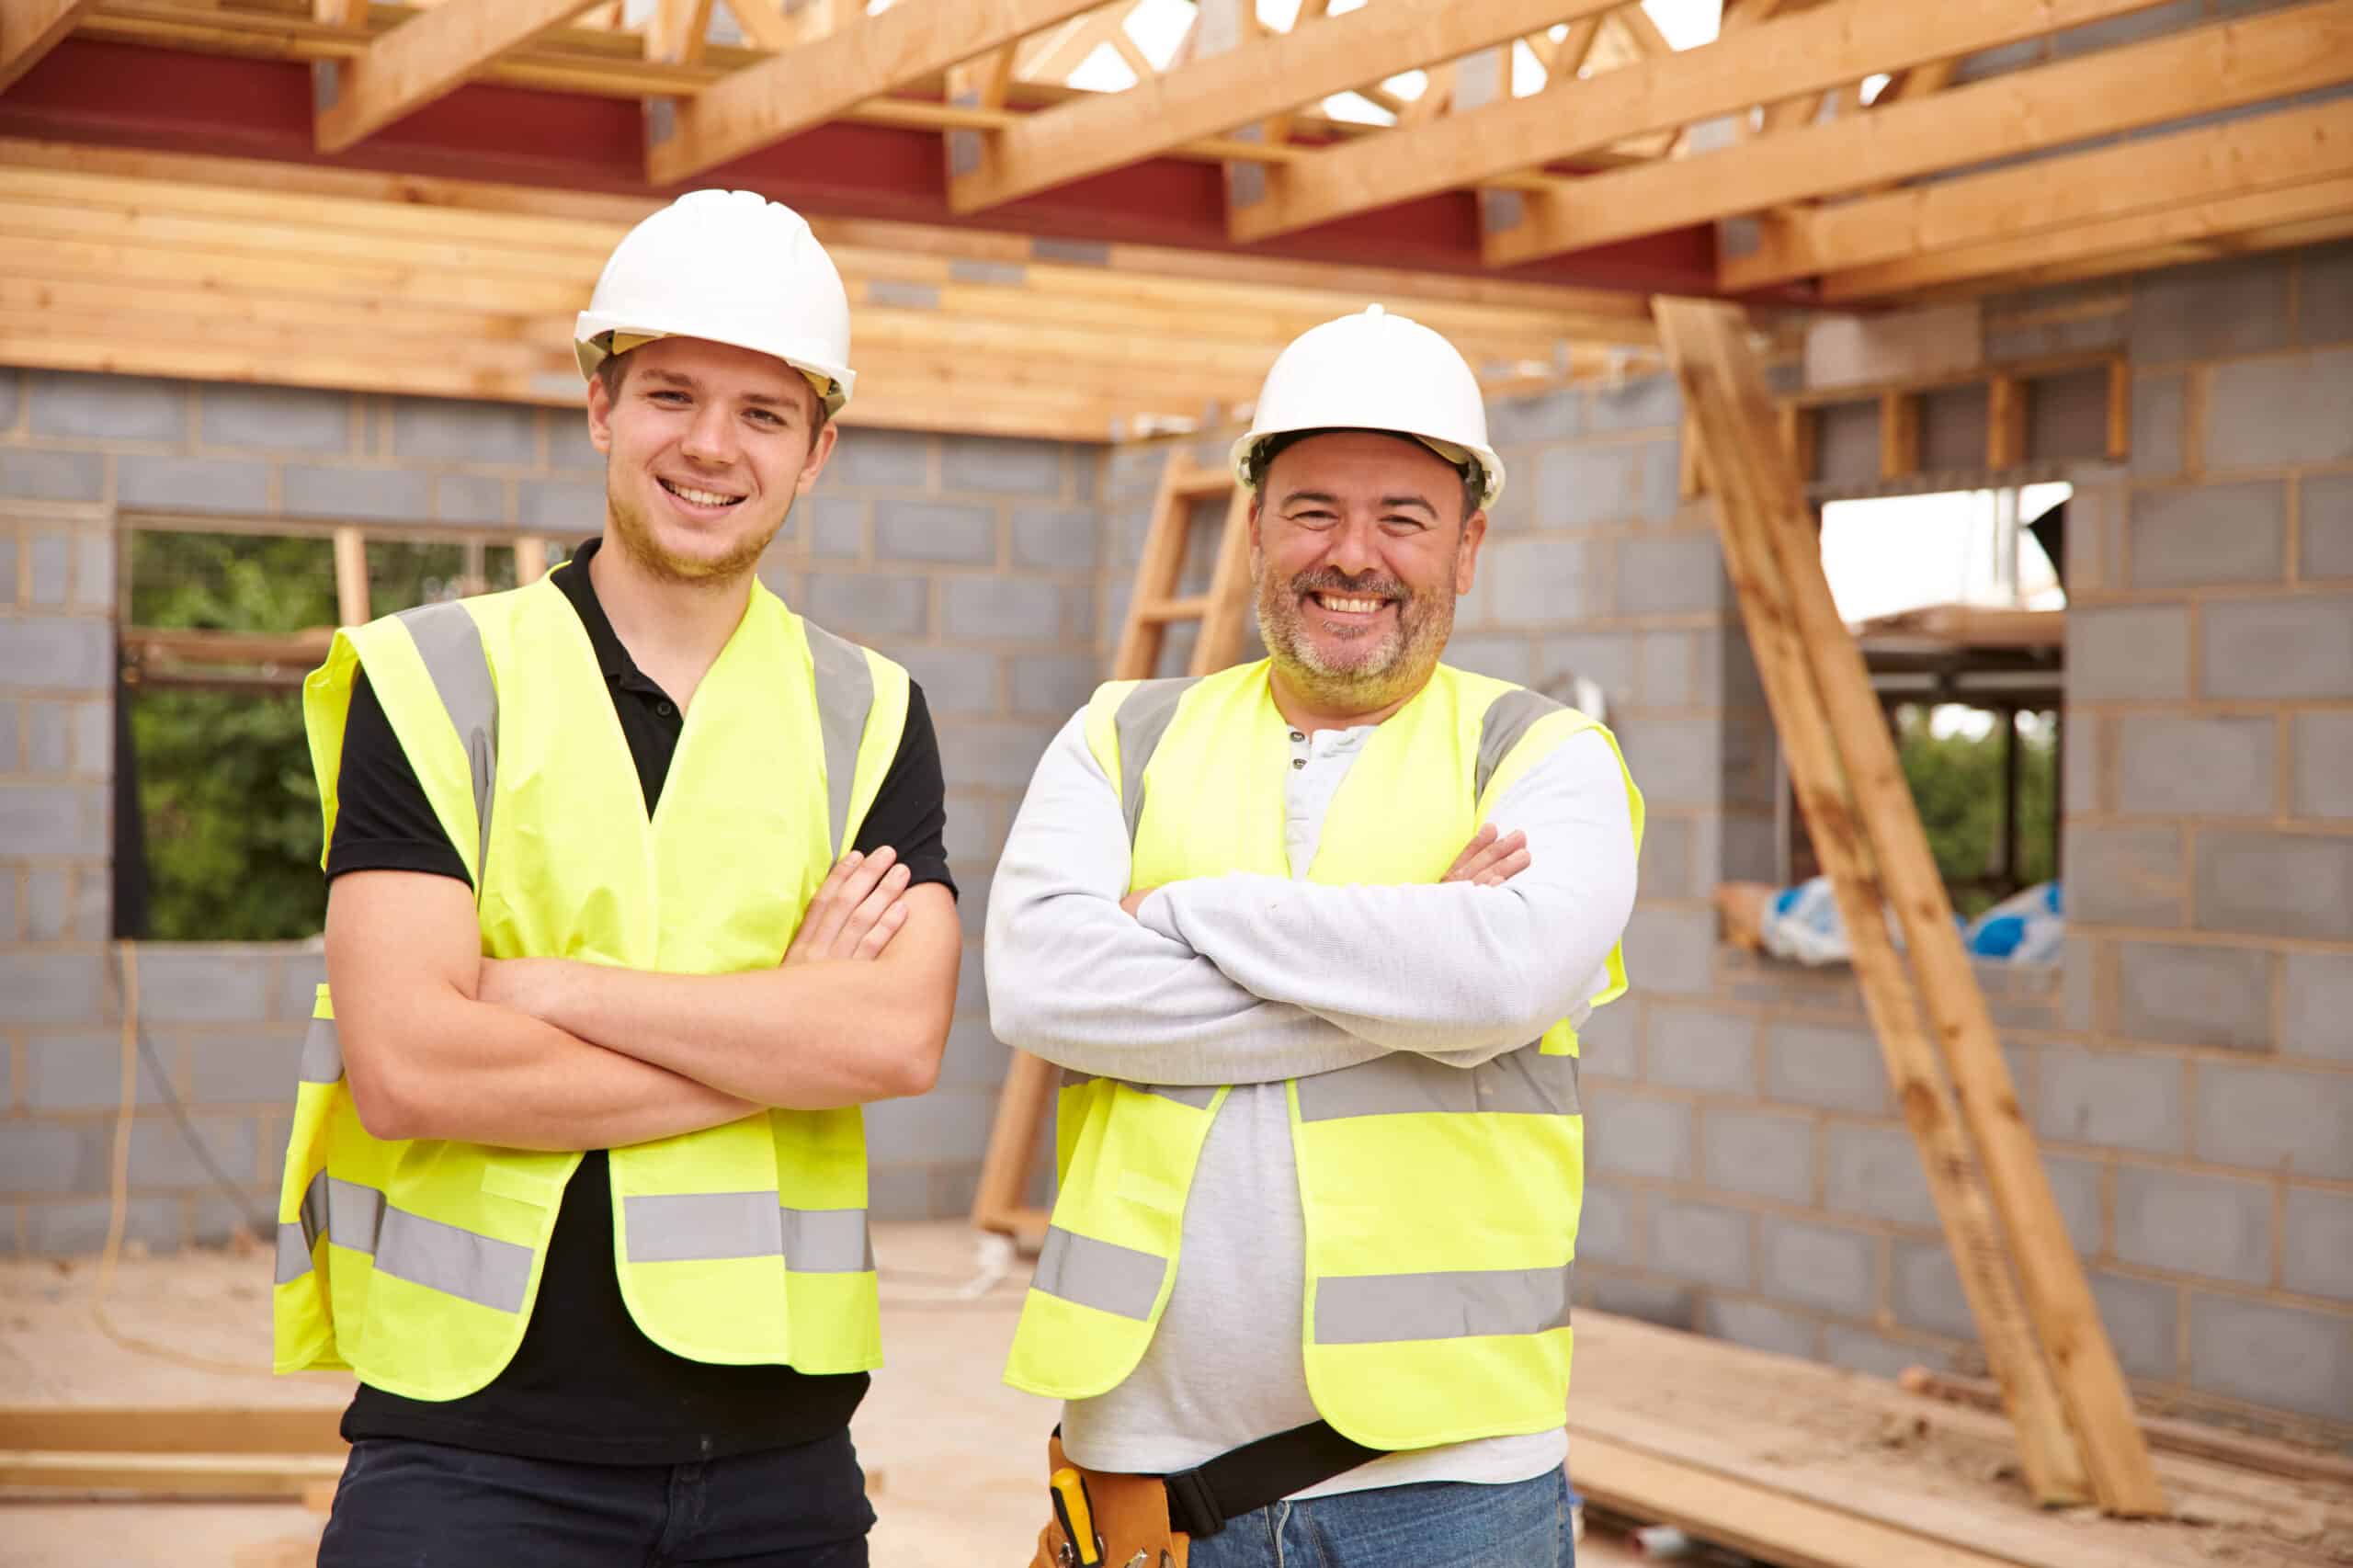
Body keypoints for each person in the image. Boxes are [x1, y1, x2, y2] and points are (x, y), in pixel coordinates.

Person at [270, 189, 962, 1567]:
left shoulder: (870, 710)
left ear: (818, 450)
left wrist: (559, 990)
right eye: (672, 395)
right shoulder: (433, 678)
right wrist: (778, 1031)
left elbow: (892, 1037)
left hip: (782, 1469)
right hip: (470, 1458)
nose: (712, 446)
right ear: (602, 407)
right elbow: (410, 1064)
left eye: (765, 414)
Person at [986, 305, 1643, 1568]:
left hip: (1450, 1488)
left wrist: (1182, 912)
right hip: (1149, 1483)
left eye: (1403, 516)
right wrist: (1411, 975)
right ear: (1254, 529)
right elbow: (1041, 985)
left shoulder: (1544, 758)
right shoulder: (1119, 736)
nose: (1354, 554)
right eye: (1313, 510)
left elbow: (1501, 975)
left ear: (1468, 546)